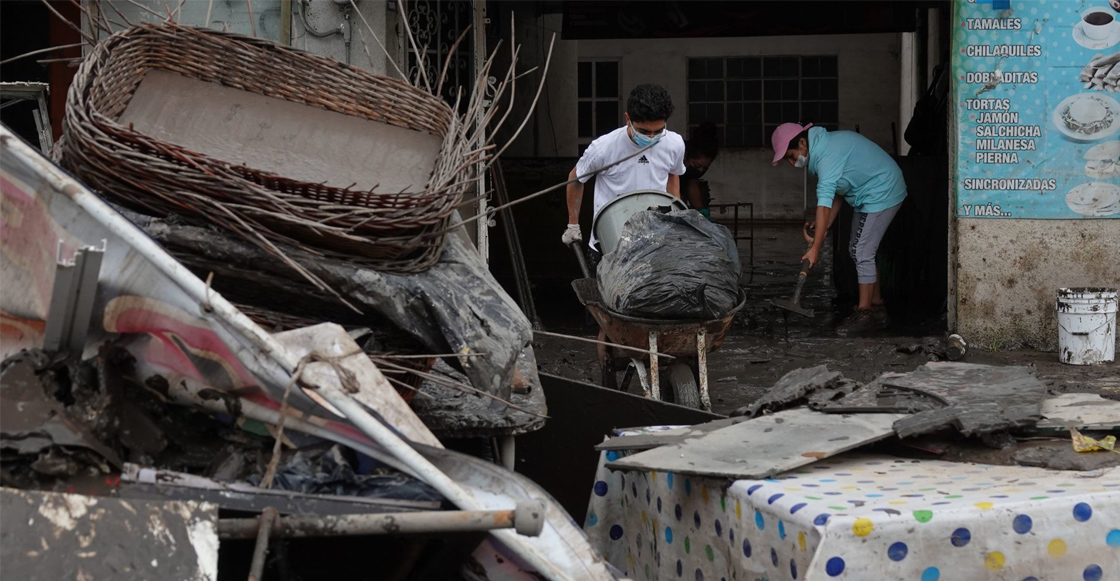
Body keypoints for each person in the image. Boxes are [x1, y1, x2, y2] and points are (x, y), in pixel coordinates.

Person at [770, 122, 907, 336]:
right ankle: (877, 306)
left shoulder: (827, 156)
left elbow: (824, 203)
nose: (791, 162)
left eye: (790, 155)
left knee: (862, 251)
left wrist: (815, 248)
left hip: (883, 190)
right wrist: (824, 227)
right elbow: (837, 192)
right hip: (869, 192)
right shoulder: (822, 149)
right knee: (858, 249)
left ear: (803, 143)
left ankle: (865, 313)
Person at [562, 84, 686, 252]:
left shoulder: (674, 144)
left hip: (655, 240)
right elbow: (576, 178)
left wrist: (675, 216)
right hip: (610, 241)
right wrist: (573, 224)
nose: (651, 137)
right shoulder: (604, 147)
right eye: (643, 131)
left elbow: (673, 174)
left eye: (658, 131)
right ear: (628, 119)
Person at [681, 122, 720, 219]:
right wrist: (680, 208)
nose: (700, 170)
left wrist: (701, 212)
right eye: (697, 165)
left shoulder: (695, 170)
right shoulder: (675, 154)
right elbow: (672, 187)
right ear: (686, 155)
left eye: (704, 168)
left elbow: (692, 183)